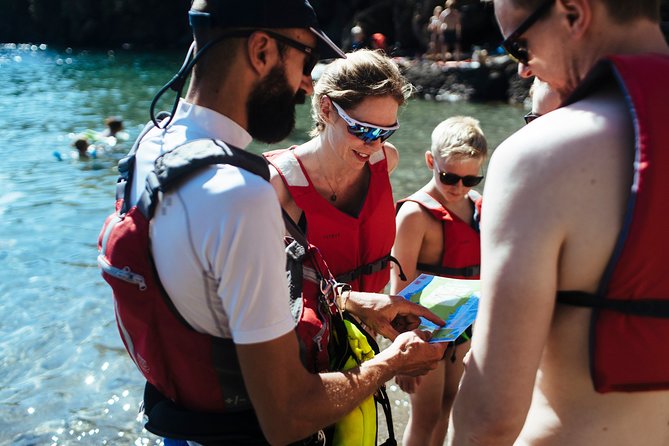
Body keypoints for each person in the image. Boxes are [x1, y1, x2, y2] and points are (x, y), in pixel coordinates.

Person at [97, 1, 448, 445]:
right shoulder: (242, 195)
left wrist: (350, 303)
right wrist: (392, 364)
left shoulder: (153, 144)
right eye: (304, 60)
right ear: (262, 51)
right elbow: (288, 414)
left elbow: (209, 299)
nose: (306, 84)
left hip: (182, 425)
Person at [448, 0, 669, 445]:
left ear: (573, 13)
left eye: (519, 47)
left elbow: (490, 417)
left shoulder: (539, 156)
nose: (524, 71)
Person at [264, 48, 409, 295]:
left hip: (371, 330)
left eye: (386, 132)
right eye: (364, 130)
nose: (375, 144)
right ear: (327, 109)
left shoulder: (385, 160)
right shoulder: (278, 186)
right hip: (306, 331)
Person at [391, 116, 487, 446]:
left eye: (471, 178)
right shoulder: (415, 215)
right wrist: (400, 354)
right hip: (424, 331)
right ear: (431, 161)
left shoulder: (477, 207)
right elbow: (398, 291)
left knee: (449, 406)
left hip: (462, 327)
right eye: (449, 176)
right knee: (426, 414)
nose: (459, 187)